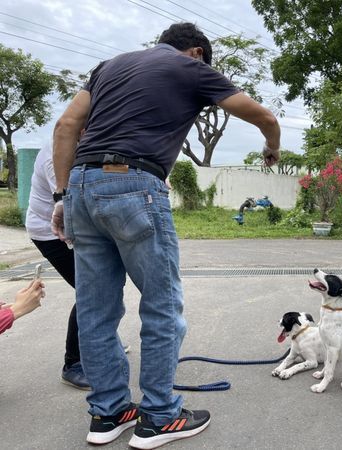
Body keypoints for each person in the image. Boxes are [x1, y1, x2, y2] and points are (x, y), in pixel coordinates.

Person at [51, 22, 281, 448]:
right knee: (161, 307)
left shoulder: (108, 67)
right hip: (134, 183)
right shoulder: (189, 67)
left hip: (80, 186)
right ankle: (159, 416)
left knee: (95, 310)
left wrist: (63, 197)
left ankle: (109, 413)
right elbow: (263, 115)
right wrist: (273, 145)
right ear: (196, 52)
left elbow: (66, 126)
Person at [25, 142, 89, 389]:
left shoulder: (87, 144)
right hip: (50, 232)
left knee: (105, 285)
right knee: (89, 290)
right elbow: (71, 205)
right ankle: (73, 363)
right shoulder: (57, 156)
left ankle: (98, 338)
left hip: (72, 227)